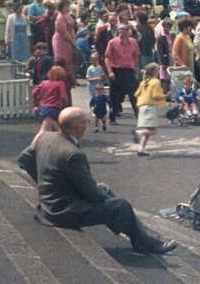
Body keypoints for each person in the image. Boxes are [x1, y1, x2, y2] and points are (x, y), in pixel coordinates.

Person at [17, 107, 177, 255]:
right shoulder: (72, 154)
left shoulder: (47, 137)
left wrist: (45, 182)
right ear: (78, 126)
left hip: (49, 203)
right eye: (85, 122)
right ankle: (144, 242)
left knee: (105, 190)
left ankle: (139, 232)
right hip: (63, 212)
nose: (87, 125)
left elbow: (24, 159)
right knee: (120, 205)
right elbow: (93, 194)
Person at [133, 63, 167, 156]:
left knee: (148, 129)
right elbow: (156, 95)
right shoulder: (156, 82)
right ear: (155, 72)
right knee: (154, 130)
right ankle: (138, 133)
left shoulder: (143, 82)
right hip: (151, 107)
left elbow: (136, 94)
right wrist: (165, 95)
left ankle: (142, 149)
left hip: (142, 107)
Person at [31, 66, 69, 146]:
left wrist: (36, 104)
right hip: (52, 108)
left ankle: (64, 143)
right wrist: (63, 103)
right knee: (43, 130)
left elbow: (34, 93)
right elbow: (63, 97)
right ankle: (32, 147)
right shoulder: (60, 83)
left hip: (43, 107)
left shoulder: (44, 83)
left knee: (55, 128)